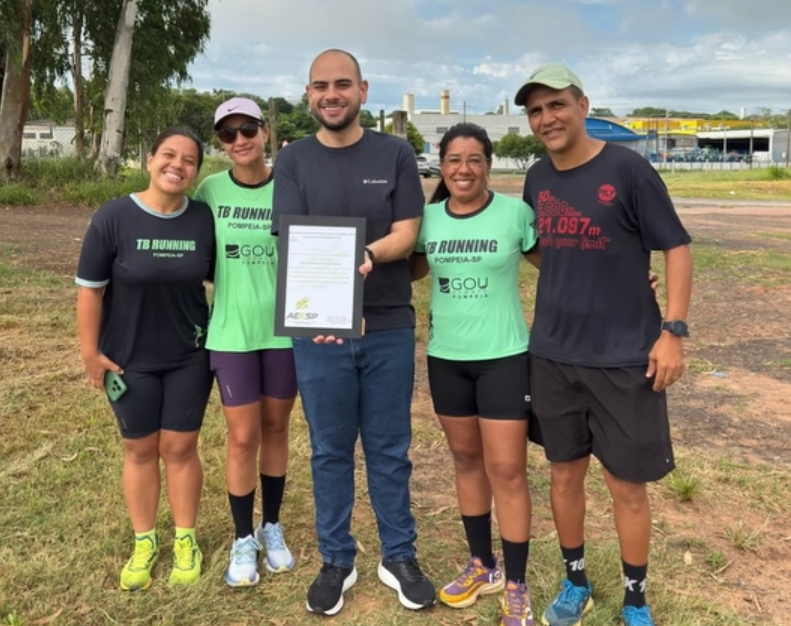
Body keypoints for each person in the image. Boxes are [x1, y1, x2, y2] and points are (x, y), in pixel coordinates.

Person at [515, 64, 693, 626]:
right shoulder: (537, 178)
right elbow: (544, 248)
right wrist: (601, 269)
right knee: (564, 474)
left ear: (583, 105)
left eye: (557, 105)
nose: (547, 118)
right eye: (536, 110)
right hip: (553, 354)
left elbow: (676, 246)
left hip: (624, 356)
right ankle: (576, 584)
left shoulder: (629, 169)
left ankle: (635, 599)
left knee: (626, 485)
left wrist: (673, 330)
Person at [271, 48, 436, 616]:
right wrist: (320, 312)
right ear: (308, 94)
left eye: (342, 84)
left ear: (363, 90)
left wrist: (363, 257)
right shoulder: (293, 159)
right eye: (320, 86)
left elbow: (407, 233)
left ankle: (399, 555)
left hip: (388, 326)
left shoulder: (395, 153)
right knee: (329, 450)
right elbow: (293, 241)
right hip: (319, 334)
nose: (331, 94)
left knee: (390, 449)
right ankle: (336, 560)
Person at [410, 122, 539, 626]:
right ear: (441, 166)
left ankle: (516, 584)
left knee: (506, 469)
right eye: (453, 160)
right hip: (447, 358)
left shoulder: (515, 214)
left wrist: (631, 279)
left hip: (505, 357)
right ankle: (482, 565)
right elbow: (403, 270)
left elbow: (562, 268)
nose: (463, 169)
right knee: (466, 460)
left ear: (488, 165)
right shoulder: (426, 220)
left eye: (474, 160)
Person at [75, 128, 215, 591]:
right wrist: (91, 353)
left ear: (196, 171)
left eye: (189, 160)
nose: (178, 165)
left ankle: (185, 540)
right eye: (168, 155)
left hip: (189, 356)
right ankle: (145, 542)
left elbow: (229, 276)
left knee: (180, 449)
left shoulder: (203, 219)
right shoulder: (113, 217)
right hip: (128, 360)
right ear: (149, 159)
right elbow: (90, 291)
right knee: (139, 450)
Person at [194, 97, 297, 587]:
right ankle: (242, 538)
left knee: (276, 428)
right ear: (221, 141)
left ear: (264, 132)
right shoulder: (210, 190)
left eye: (248, 129)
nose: (239, 140)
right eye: (228, 133)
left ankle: (270, 526)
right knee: (242, 437)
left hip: (283, 332)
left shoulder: (290, 187)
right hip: (231, 332)